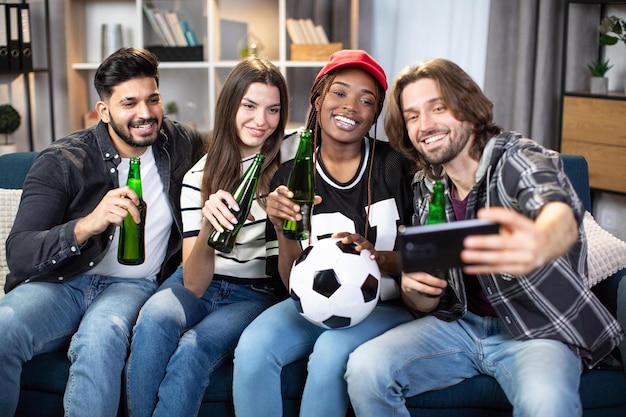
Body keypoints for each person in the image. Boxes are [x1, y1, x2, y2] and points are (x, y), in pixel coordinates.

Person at [345, 58, 625, 417]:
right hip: (459, 327)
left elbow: (557, 210)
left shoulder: (518, 158)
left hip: (538, 332)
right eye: (413, 116)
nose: (425, 125)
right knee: (366, 370)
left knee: (547, 402)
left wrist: (540, 241)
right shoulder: (427, 187)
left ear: (469, 109)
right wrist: (417, 291)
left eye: (438, 108)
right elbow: (428, 302)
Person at [0, 47, 205, 417]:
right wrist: (88, 224)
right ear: (104, 110)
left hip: (132, 285)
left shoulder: (179, 144)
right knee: (2, 329)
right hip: (61, 283)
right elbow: (20, 253)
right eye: (130, 103)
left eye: (153, 99)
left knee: (101, 338)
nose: (145, 114)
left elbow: (237, 140)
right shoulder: (63, 160)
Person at [232, 49, 416, 417]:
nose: (351, 107)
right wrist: (282, 228)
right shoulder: (291, 177)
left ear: (375, 114)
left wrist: (376, 258)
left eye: (367, 101)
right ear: (318, 98)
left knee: (331, 352)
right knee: (252, 348)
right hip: (312, 306)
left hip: (388, 305)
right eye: (340, 93)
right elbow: (291, 282)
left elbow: (428, 257)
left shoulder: (398, 166)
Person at [124, 55, 289, 417]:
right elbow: (194, 284)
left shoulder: (286, 176)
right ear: (230, 105)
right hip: (200, 283)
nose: (261, 120)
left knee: (193, 350)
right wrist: (208, 230)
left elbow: (286, 281)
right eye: (249, 105)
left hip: (255, 292)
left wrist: (282, 223)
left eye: (273, 110)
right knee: (153, 321)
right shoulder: (197, 176)